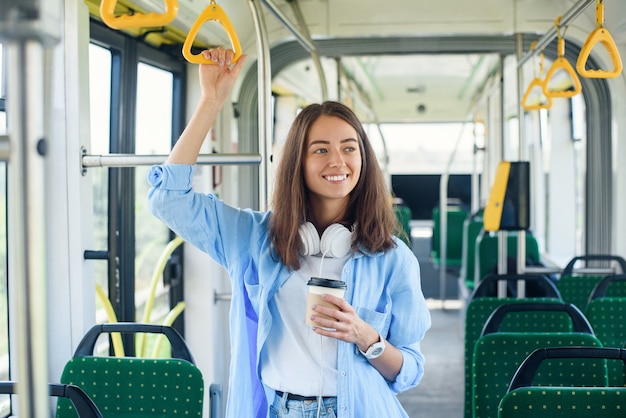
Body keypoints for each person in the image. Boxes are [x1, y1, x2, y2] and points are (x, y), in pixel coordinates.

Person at [147, 47, 431, 418]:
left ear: (363, 159)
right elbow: (169, 199)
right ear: (298, 161)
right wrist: (211, 101)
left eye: (349, 148)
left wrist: (366, 337)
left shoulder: (392, 258)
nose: (337, 161)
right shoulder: (253, 239)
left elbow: (410, 369)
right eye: (320, 149)